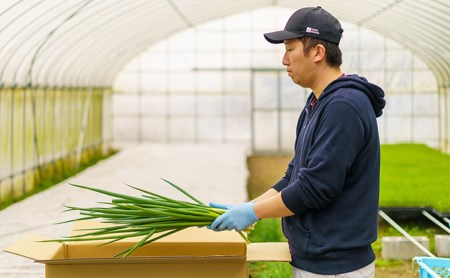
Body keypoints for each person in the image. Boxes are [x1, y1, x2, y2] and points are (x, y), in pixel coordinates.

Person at [209, 6, 385, 277]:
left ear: (317, 52)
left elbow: (315, 188)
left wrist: (254, 213)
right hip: (313, 259)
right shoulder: (317, 103)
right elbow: (296, 175)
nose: (284, 60)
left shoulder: (344, 107)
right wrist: (247, 207)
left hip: (335, 267)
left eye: (290, 49)